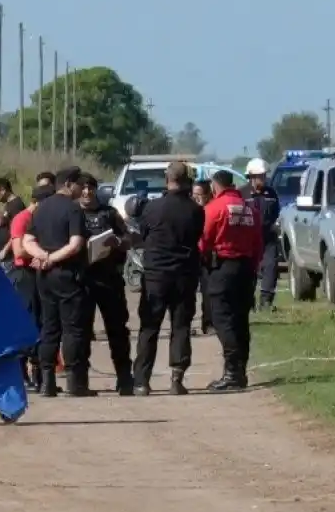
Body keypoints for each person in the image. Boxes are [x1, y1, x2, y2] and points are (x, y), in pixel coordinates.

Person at [131, 162, 204, 396]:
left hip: (155, 276)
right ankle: (177, 379)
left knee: (149, 327)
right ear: (187, 181)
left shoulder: (152, 208)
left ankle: (142, 381)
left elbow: (142, 236)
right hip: (184, 274)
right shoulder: (195, 210)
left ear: (167, 179)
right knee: (181, 326)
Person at [22, 166, 91, 397]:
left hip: (45, 276)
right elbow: (76, 244)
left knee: (49, 327)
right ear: (69, 184)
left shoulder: (41, 209)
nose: (83, 190)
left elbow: (27, 241)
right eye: (80, 185)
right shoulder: (73, 210)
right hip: (68, 273)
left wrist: (42, 256)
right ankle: (74, 383)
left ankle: (47, 382)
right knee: (72, 329)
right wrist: (52, 258)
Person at [201, 169, 263, 391]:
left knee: (222, 320)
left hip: (223, 268)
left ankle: (232, 373)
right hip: (246, 268)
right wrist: (254, 268)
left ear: (215, 185)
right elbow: (258, 242)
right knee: (240, 321)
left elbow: (204, 240)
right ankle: (240, 372)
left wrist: (203, 261)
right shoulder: (250, 208)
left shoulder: (214, 208)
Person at [78, 173, 134, 395]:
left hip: (109, 279)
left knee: (118, 330)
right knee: (81, 332)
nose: (87, 192)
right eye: (82, 188)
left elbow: (129, 239)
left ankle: (124, 377)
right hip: (83, 280)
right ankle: (80, 381)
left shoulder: (109, 213)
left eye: (91, 188)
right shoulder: (72, 214)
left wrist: (118, 242)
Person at [8, 184, 56, 391]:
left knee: (42, 322)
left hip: (41, 274)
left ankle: (38, 373)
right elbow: (19, 251)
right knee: (25, 322)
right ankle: (20, 374)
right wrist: (43, 252)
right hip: (24, 276)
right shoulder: (22, 219)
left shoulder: (40, 219)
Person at [239, 158, 281, 310]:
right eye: (260, 176)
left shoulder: (271, 193)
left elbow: (276, 212)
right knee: (248, 270)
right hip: (248, 238)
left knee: (271, 266)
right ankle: (248, 301)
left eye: (264, 175)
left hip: (267, 237)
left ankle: (266, 301)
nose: (263, 179)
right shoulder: (241, 193)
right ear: (251, 176)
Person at [192, 179, 214, 335]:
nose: (196, 198)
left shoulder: (211, 211)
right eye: (193, 194)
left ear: (207, 195)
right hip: (190, 254)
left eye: (199, 194)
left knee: (207, 290)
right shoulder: (189, 210)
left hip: (206, 254)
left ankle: (208, 322)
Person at [0, 177, 27, 267]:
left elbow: (18, 232)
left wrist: (5, 250)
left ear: (3, 190)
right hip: (5, 257)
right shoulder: (9, 204)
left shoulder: (16, 205)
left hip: (10, 258)